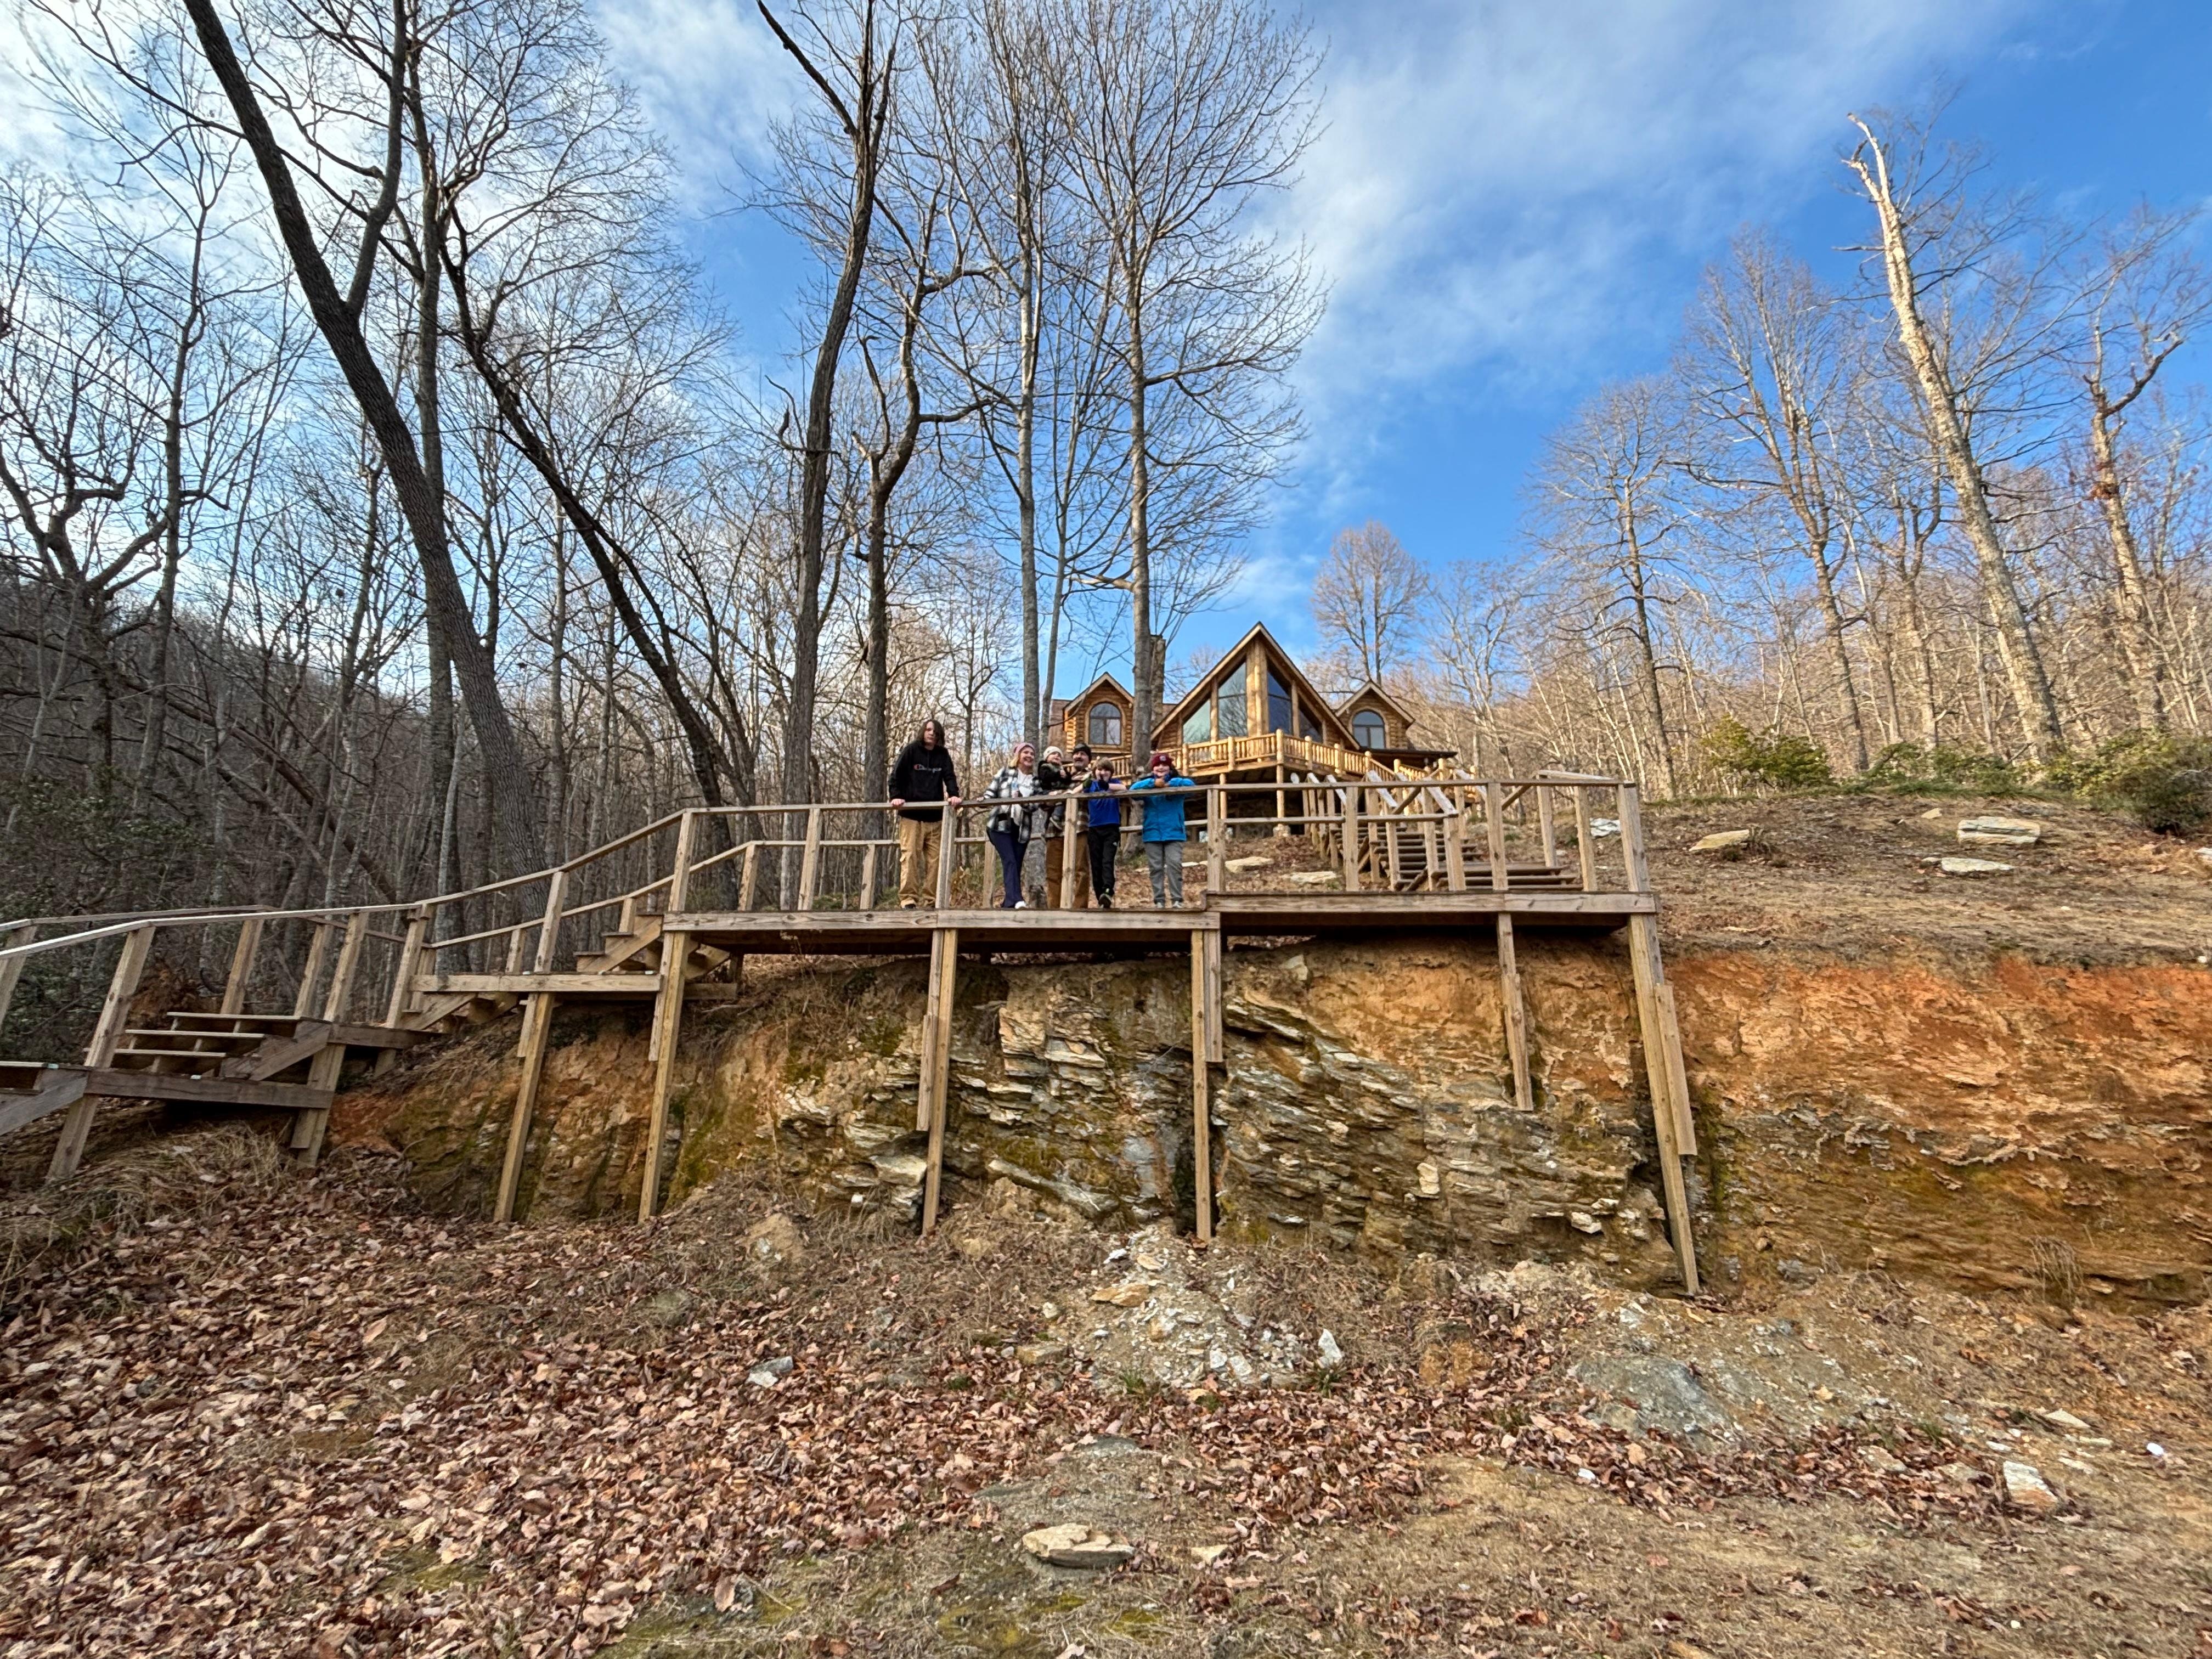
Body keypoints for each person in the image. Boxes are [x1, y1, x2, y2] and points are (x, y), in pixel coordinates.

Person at [888, 718, 961, 908]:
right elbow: (896, 775)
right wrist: (896, 797)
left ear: (940, 736)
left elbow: (949, 776)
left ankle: (932, 900)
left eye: (936, 732)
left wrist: (954, 795)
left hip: (935, 817)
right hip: (912, 815)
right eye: (929, 730)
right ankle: (908, 899)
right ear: (923, 732)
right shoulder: (912, 750)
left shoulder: (943, 755)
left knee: (936, 860)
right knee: (910, 856)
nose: (931, 734)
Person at [1126, 751, 1199, 908]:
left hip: (1174, 833)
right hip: (1152, 833)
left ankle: (1177, 900)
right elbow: (1133, 790)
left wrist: (1170, 784)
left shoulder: (1178, 782)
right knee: (1155, 869)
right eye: (1158, 765)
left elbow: (1192, 787)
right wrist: (1153, 784)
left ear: (1170, 768)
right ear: (1153, 769)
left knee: (1174, 866)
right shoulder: (1147, 784)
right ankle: (1159, 900)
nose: (1161, 768)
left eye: (1165, 765)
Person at [982, 742, 1043, 909]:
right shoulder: (1005, 773)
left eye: (1032, 753)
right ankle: (1017, 900)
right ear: (1018, 756)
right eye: (1026, 753)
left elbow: (1035, 806)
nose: (1029, 756)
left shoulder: (1035, 781)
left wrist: (1023, 801)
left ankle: (1009, 902)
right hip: (1001, 822)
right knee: (1009, 860)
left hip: (1021, 827)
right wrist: (984, 800)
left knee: (1016, 863)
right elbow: (991, 791)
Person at [1036, 744, 1092, 910]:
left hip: (1079, 826)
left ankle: (1079, 907)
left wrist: (1065, 795)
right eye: (1076, 754)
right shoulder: (1060, 775)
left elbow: (1088, 796)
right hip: (1054, 828)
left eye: (1083, 754)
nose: (1078, 757)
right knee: (1053, 870)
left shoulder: (1091, 776)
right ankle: (1055, 908)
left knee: (1080, 869)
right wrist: (1052, 796)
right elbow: (1043, 802)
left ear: (1089, 759)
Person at [1082, 754, 1126, 909]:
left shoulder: (1115, 783)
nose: (1103, 772)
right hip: (1094, 829)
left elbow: (1124, 788)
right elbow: (1080, 789)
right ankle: (1100, 896)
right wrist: (1089, 780)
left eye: (1107, 770)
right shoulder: (1091, 785)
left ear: (1111, 772)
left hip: (1111, 828)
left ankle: (1108, 891)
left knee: (1107, 861)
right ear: (1095, 771)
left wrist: (1106, 785)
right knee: (1096, 864)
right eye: (1100, 769)